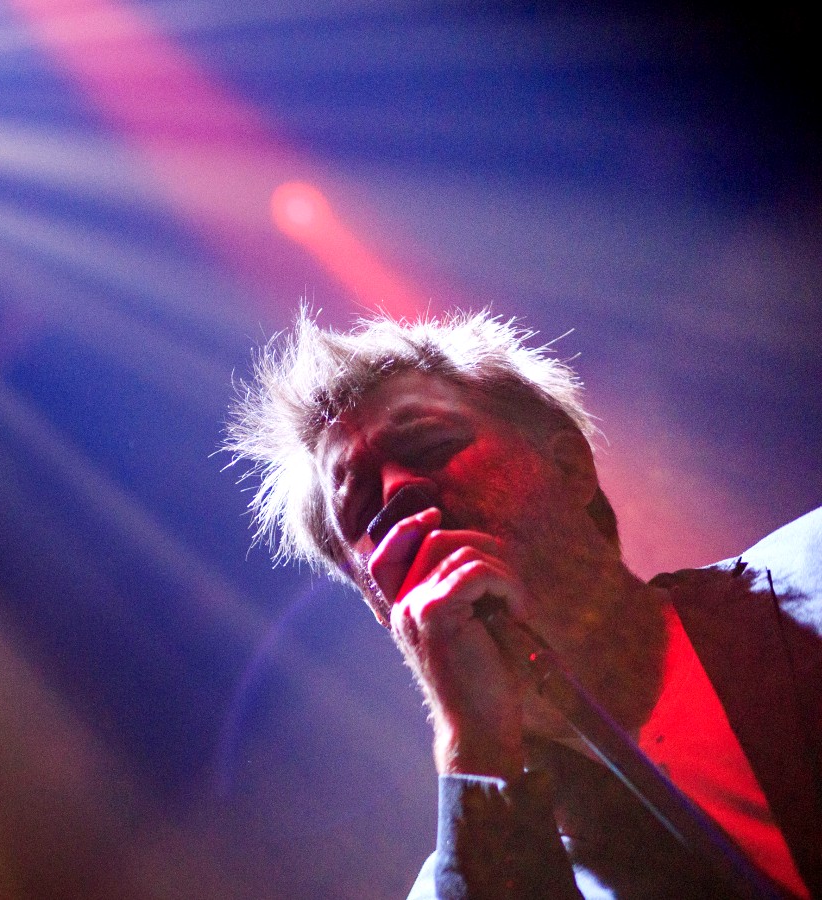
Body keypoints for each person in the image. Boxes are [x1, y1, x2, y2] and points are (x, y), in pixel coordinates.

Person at [225, 310, 821, 899]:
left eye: (431, 445)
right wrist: (475, 746)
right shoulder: (460, 878)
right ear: (383, 607)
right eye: (361, 513)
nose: (398, 494)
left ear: (569, 466)